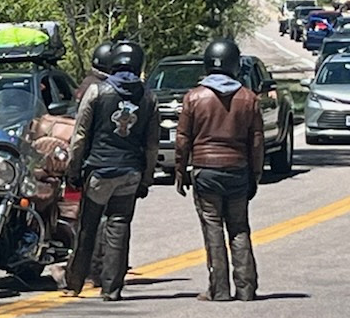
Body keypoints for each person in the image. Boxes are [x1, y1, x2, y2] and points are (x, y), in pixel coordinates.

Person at [64, 39, 159, 302]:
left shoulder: (97, 92)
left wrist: (73, 169)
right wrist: (147, 179)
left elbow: (80, 136)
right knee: (119, 226)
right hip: (130, 172)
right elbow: (152, 145)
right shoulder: (149, 97)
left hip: (99, 171)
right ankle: (112, 288)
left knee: (87, 227)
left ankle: (75, 283)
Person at [175, 36, 262, 302]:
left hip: (205, 170)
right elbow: (256, 142)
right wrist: (255, 175)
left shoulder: (194, 97)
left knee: (212, 227)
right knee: (238, 227)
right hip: (237, 169)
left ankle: (219, 289)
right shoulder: (248, 98)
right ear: (235, 65)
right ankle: (246, 288)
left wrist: (180, 170)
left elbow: (182, 139)